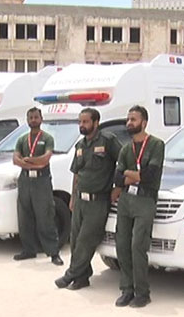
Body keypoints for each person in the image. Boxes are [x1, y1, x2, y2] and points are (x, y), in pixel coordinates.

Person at [55, 108, 121, 290]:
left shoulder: (107, 141)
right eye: (80, 122)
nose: (82, 125)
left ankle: (70, 274)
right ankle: (82, 278)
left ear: (96, 122)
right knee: (75, 239)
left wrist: (118, 188)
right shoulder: (80, 145)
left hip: (98, 201)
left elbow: (123, 163)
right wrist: (72, 197)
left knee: (86, 240)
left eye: (85, 122)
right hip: (80, 200)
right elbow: (76, 174)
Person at [113, 106, 165, 308]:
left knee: (138, 246)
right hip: (126, 200)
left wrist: (130, 175)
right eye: (128, 119)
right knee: (122, 245)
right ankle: (127, 289)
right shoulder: (126, 148)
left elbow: (150, 176)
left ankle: (142, 292)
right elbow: (117, 177)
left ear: (144, 122)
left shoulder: (156, 145)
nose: (129, 123)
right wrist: (132, 176)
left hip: (145, 200)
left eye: (133, 119)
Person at [13, 107, 63, 266]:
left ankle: (53, 253)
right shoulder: (22, 140)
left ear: (41, 119)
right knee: (24, 217)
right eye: (30, 117)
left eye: (36, 117)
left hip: (42, 182)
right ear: (27, 120)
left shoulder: (47, 138)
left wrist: (27, 160)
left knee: (45, 216)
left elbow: (45, 160)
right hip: (25, 181)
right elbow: (15, 159)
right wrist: (31, 163)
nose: (33, 120)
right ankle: (29, 250)